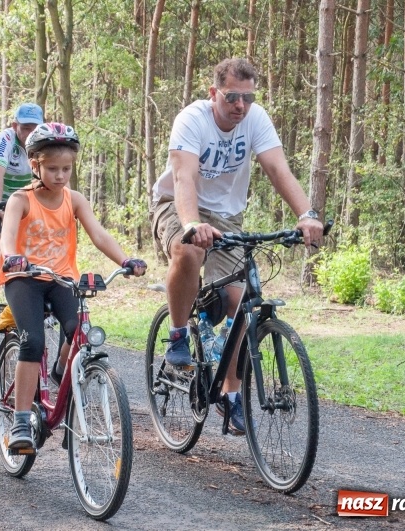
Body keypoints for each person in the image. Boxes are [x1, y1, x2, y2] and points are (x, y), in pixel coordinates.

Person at [151, 58, 324, 434]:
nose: (240, 106)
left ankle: (231, 396)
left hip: (228, 218)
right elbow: (184, 177)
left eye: (247, 98)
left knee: (239, 299)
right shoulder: (192, 120)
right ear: (214, 93)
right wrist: (192, 223)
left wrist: (307, 214)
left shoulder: (255, 119)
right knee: (189, 251)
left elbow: (279, 169)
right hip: (178, 205)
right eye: (232, 97)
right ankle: (179, 336)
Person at [0, 122, 147, 449]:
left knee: (79, 330)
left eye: (66, 168)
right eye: (52, 169)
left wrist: (125, 260)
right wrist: (11, 257)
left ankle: (61, 377)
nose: (61, 175)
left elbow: (99, 235)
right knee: (33, 341)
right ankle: (22, 420)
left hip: (62, 279)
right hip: (24, 279)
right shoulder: (20, 200)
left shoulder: (74, 200)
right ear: (34, 165)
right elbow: (7, 239)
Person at [0, 103, 45, 325]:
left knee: (36, 247)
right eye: (25, 128)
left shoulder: (41, 142)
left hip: (23, 200)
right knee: (4, 251)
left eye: (34, 129)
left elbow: (44, 177)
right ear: (14, 125)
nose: (29, 134)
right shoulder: (5, 140)